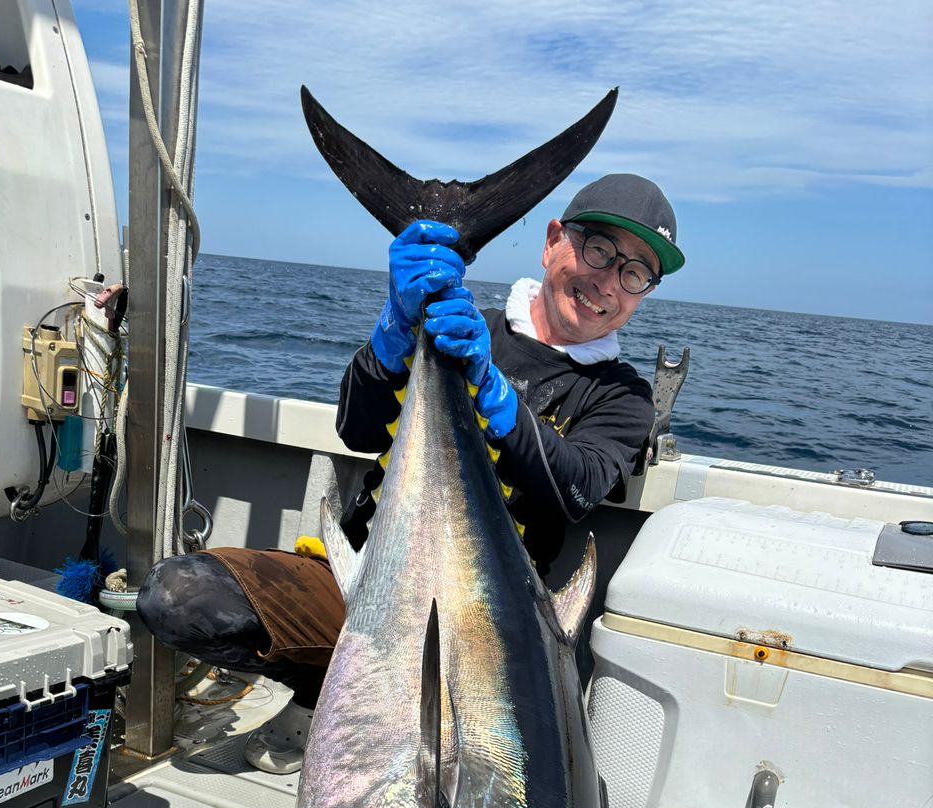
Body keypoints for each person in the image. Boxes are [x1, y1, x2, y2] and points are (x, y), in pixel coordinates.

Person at [137, 173, 684, 774]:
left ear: (645, 292)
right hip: (361, 581)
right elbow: (358, 429)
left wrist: (494, 393)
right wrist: (394, 334)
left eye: (635, 273)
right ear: (554, 240)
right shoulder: (455, 323)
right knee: (177, 599)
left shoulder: (622, 397)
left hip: (484, 629)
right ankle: (322, 694)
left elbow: (575, 488)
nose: (608, 281)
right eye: (599, 249)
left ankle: (373, 708)